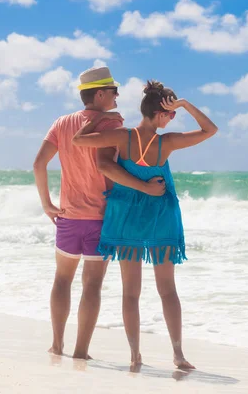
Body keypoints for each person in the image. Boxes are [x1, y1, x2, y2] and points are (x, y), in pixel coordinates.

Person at [71, 80, 218, 370]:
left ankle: (135, 355)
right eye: (171, 113)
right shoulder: (167, 142)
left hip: (126, 218)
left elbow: (78, 141)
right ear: (161, 113)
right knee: (167, 290)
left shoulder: (122, 137)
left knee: (130, 292)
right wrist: (186, 103)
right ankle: (177, 354)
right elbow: (210, 130)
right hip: (161, 217)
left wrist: (98, 120)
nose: (172, 118)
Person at [33, 67, 166, 360]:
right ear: (101, 94)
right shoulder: (112, 123)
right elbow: (111, 166)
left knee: (61, 280)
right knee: (91, 285)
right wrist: (144, 187)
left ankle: (57, 345)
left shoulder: (62, 122)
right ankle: (81, 351)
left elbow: (38, 164)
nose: (118, 96)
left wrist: (47, 204)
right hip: (100, 218)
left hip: (67, 216)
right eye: (114, 91)